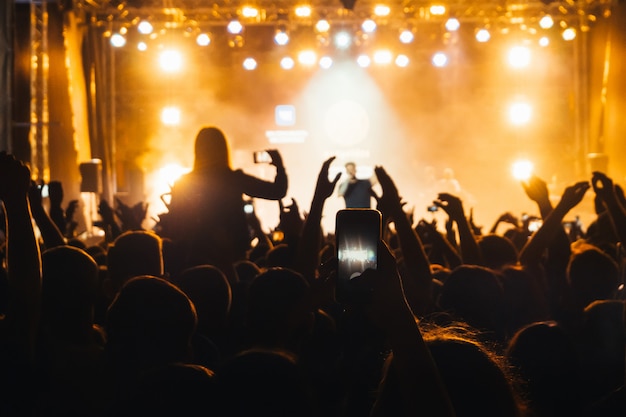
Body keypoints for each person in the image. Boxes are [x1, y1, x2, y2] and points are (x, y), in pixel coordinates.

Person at [160, 126, 288, 280]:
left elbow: (175, 222)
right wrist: (279, 166)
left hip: (194, 255)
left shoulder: (185, 183)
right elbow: (277, 192)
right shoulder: (233, 179)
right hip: (234, 252)